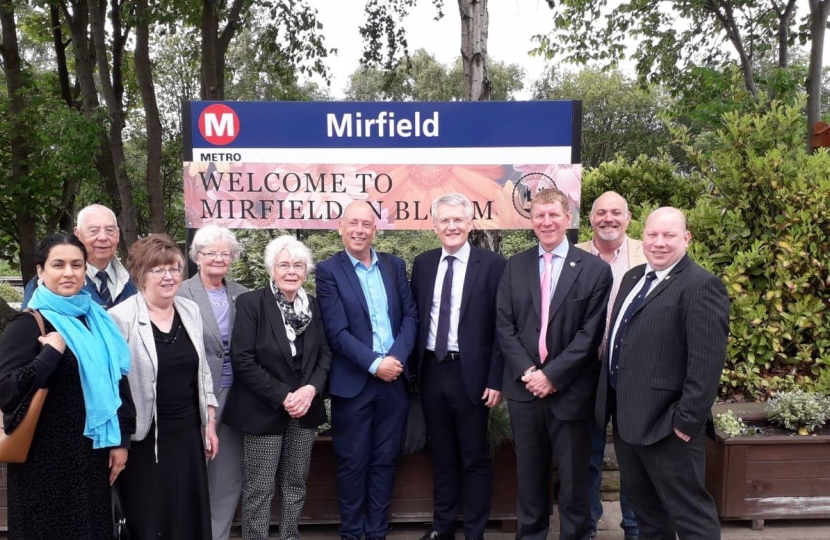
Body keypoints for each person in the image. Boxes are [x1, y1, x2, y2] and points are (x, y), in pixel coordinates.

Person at [595, 207, 729, 540]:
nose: (659, 243)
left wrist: (685, 423)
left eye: (669, 236)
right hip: (627, 422)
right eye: (652, 234)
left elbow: (706, 363)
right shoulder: (632, 277)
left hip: (668, 429)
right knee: (649, 519)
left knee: (691, 518)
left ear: (686, 238)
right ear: (642, 237)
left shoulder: (701, 286)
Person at [496, 188, 613, 540]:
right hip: (524, 391)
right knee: (529, 481)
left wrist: (552, 376)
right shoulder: (514, 266)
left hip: (571, 393)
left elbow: (589, 335)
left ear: (568, 219)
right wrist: (530, 373)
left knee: (576, 485)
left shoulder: (594, 270)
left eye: (553, 215)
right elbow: (504, 324)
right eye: (539, 216)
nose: (546, 222)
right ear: (531, 221)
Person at [0, 233, 134, 538]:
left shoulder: (97, 321)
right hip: (43, 462)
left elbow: (117, 380)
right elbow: (7, 392)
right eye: (58, 264)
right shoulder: (26, 325)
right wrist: (50, 353)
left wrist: (122, 439)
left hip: (91, 455)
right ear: (40, 271)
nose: (68, 272)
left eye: (76, 264)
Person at [315, 201, 418, 540]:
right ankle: (352, 532)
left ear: (376, 229)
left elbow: (410, 318)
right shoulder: (328, 271)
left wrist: (393, 361)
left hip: (394, 380)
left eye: (366, 224)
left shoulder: (393, 265)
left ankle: (376, 531)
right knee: (352, 462)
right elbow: (336, 331)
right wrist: (376, 364)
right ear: (341, 227)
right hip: (354, 383)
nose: (360, 230)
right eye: (353, 223)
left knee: (386, 461)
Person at [108, 234, 219, 540]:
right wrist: (120, 440)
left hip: (187, 434)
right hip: (145, 437)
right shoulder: (120, 318)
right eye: (158, 270)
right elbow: (112, 386)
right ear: (141, 274)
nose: (169, 277)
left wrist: (209, 422)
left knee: (189, 516)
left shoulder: (189, 310)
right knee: (151, 518)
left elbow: (202, 371)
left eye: (174, 268)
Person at [409, 193, 506, 540]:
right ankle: (442, 527)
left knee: (475, 456)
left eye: (457, 220)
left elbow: (502, 326)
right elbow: (415, 319)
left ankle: (475, 532)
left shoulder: (493, 265)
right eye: (444, 220)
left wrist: (497, 379)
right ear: (434, 226)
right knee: (442, 454)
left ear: (470, 223)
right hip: (433, 371)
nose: (451, 226)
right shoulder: (422, 264)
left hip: (474, 375)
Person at [223, 235, 332, 539]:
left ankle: (290, 535)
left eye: (298, 265)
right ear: (272, 269)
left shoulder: (314, 306)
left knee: (296, 482)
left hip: (305, 409)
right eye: (284, 265)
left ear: (306, 271)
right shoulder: (251, 303)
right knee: (259, 487)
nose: (291, 271)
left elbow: (325, 353)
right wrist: (284, 396)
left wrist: (310, 390)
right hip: (264, 409)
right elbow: (243, 359)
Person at [575, 191, 644, 540]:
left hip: (633, 374)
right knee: (587, 455)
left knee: (632, 457)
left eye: (616, 212)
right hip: (586, 373)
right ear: (590, 219)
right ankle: (587, 526)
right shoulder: (574, 257)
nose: (608, 219)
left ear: (628, 218)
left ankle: (633, 528)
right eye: (601, 212)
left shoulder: (646, 255)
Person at [178, 225, 249, 540]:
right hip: (193, 396)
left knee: (227, 475)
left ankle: (216, 535)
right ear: (197, 257)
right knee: (191, 471)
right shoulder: (180, 293)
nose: (219, 258)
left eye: (225, 253)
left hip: (237, 397)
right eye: (211, 252)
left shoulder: (243, 295)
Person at [21, 204, 137, 309]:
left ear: (117, 234)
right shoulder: (48, 283)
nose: (103, 237)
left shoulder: (136, 281)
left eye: (110, 230)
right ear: (77, 234)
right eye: (93, 231)